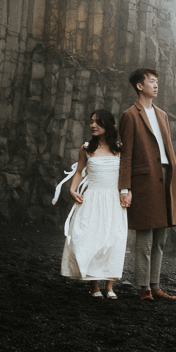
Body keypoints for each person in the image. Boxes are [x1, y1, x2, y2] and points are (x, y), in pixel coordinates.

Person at [118, 68, 176, 301]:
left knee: (161, 237)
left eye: (157, 81)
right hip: (144, 180)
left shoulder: (162, 114)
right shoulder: (130, 115)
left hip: (166, 177)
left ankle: (155, 286)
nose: (156, 85)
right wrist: (125, 188)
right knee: (145, 236)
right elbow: (126, 155)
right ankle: (144, 288)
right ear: (139, 86)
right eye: (151, 81)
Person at [58, 109, 126, 298]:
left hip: (113, 200)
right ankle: (94, 285)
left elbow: (125, 176)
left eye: (98, 122)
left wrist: (127, 194)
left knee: (112, 240)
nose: (93, 125)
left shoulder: (120, 149)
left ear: (109, 125)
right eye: (91, 121)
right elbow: (79, 171)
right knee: (91, 239)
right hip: (92, 199)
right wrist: (72, 189)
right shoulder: (87, 148)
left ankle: (110, 286)